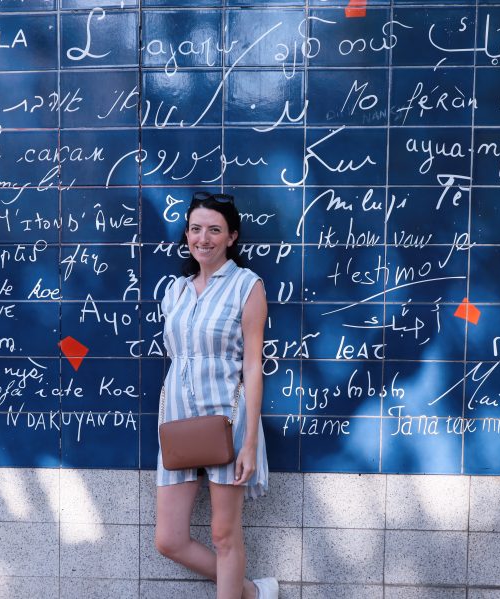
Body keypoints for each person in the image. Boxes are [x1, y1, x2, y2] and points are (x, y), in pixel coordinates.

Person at [154, 191, 277, 599]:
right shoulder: (175, 291)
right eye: (195, 228)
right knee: (169, 539)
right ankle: (253, 593)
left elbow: (253, 365)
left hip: (228, 420)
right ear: (186, 234)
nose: (203, 238)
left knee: (225, 535)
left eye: (214, 230)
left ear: (231, 237)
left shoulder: (247, 286)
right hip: (177, 424)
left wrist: (250, 442)